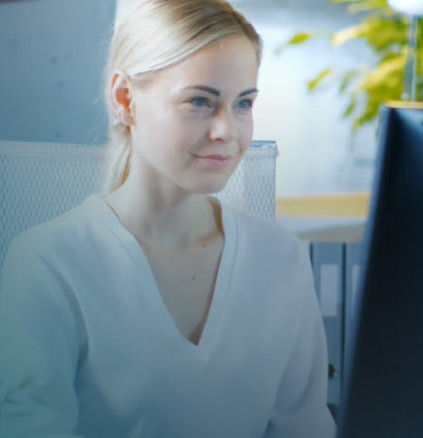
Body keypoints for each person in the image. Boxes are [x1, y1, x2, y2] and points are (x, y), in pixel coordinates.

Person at [0, 0, 336, 437]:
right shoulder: (48, 263)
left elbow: (305, 428)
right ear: (125, 100)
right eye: (200, 101)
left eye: (243, 104)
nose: (227, 131)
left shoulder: (279, 257)